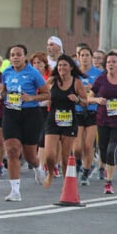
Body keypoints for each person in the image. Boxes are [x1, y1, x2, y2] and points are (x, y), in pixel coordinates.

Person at [0, 44, 49, 201]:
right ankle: (15, 191)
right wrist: (0, 95)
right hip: (11, 113)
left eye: (18, 54)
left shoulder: (33, 73)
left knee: (29, 156)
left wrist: (32, 98)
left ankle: (38, 167)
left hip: (30, 114)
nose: (15, 57)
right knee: (12, 150)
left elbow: (47, 94)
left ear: (25, 57)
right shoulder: (6, 72)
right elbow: (5, 90)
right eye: (12, 54)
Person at [89, 51, 117, 194]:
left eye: (114, 62)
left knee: (111, 150)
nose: (111, 64)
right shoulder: (101, 79)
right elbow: (89, 97)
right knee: (103, 150)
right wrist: (97, 100)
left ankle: (109, 182)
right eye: (108, 62)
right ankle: (104, 167)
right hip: (103, 119)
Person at [41, 55, 88, 187]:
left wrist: (77, 100)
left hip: (69, 120)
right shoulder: (52, 81)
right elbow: (42, 93)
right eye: (60, 65)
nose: (62, 68)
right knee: (49, 155)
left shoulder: (76, 82)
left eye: (65, 65)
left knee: (65, 156)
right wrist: (46, 99)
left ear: (71, 67)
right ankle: (50, 173)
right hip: (53, 120)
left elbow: (85, 102)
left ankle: (67, 183)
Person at [73, 45, 102, 185]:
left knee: (88, 145)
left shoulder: (98, 73)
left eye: (87, 55)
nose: (84, 58)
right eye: (82, 55)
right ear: (78, 58)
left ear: (91, 57)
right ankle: (78, 162)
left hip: (92, 110)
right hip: (77, 110)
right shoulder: (74, 74)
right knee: (77, 147)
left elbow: (104, 90)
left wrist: (93, 89)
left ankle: (85, 172)